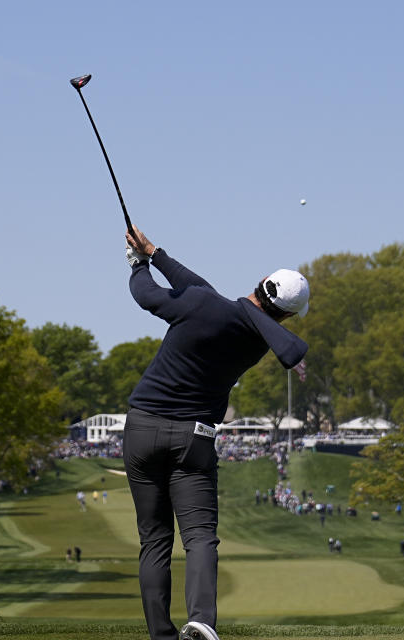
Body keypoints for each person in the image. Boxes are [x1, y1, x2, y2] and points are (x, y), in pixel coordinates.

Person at [122, 226, 310, 640]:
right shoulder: (255, 340)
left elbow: (147, 295)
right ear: (287, 317)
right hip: (194, 439)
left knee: (154, 541)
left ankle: (161, 635)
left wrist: (138, 265)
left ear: (259, 283)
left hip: (142, 428)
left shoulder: (202, 304)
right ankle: (201, 621)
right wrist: (154, 251)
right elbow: (199, 287)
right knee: (200, 537)